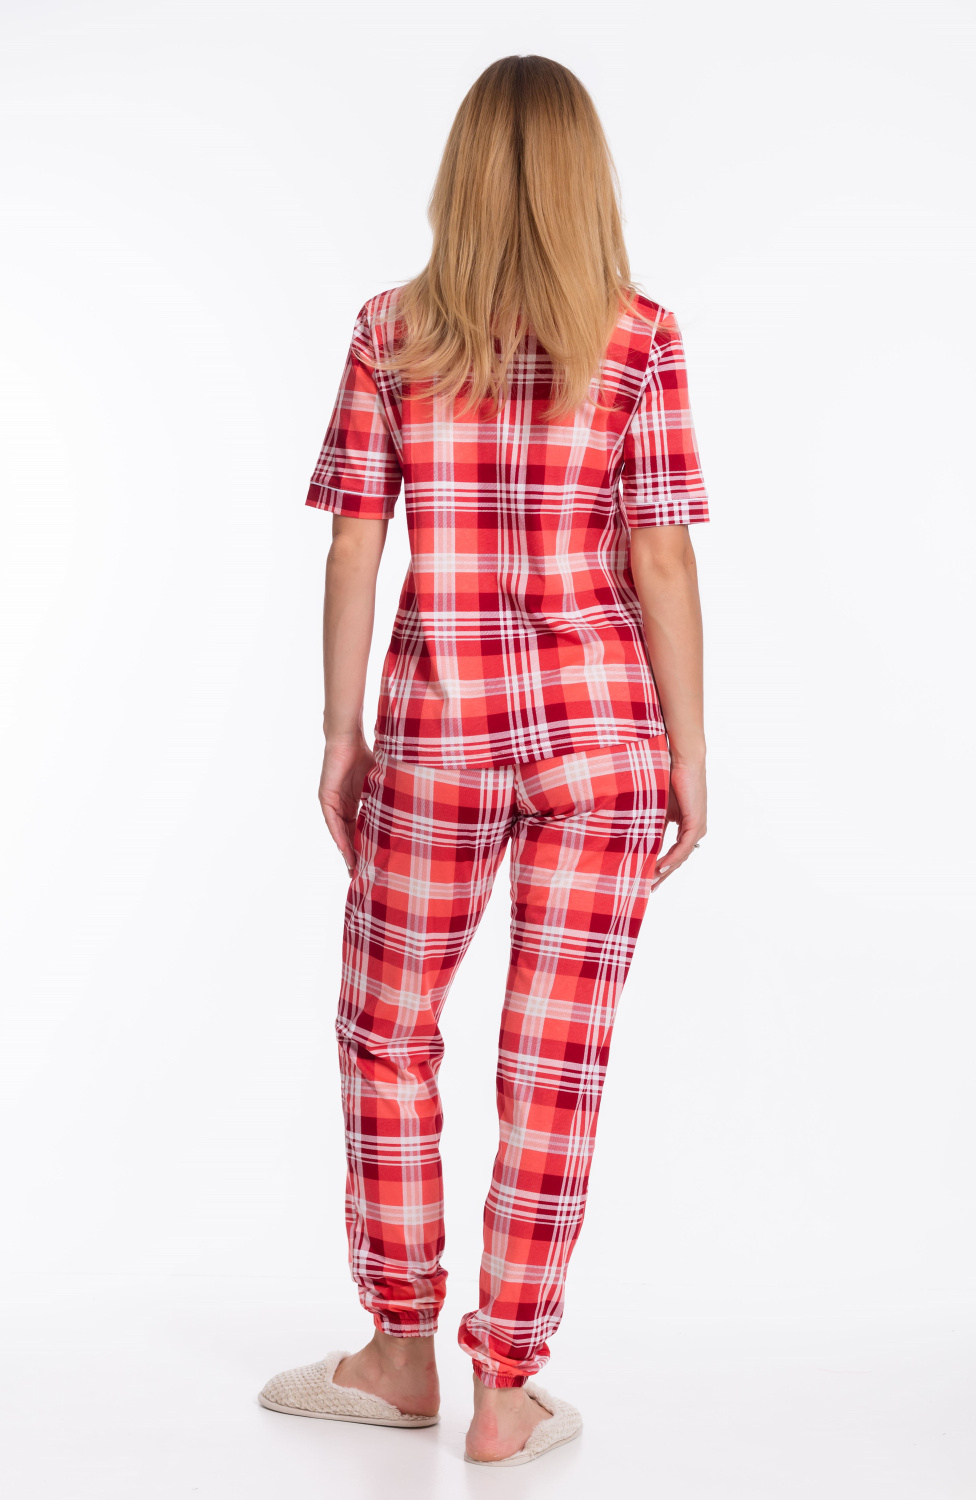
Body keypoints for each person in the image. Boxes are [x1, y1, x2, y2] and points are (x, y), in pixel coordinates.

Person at [258, 53, 710, 1467]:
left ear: (458, 173)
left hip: (437, 735)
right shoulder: (640, 335)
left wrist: (340, 733)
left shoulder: (391, 331)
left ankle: (400, 1353)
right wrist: (691, 750)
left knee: (388, 1030)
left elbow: (354, 542)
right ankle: (506, 1391)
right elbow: (659, 556)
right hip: (600, 737)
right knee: (553, 1061)